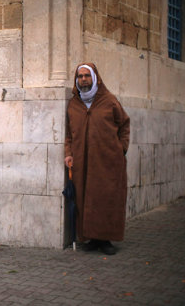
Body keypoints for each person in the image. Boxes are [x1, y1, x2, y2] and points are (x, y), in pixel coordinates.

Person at [64, 63, 130, 255]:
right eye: (80, 76)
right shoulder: (74, 104)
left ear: (95, 78)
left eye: (87, 76)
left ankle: (105, 239)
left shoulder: (109, 101)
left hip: (108, 161)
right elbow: (69, 133)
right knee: (85, 198)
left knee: (106, 199)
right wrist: (69, 153)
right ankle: (90, 238)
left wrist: (121, 149)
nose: (83, 80)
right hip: (82, 162)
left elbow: (124, 125)